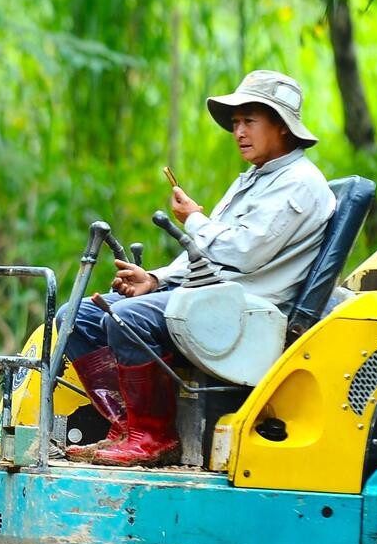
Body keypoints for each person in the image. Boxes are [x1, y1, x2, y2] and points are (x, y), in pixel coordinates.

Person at [57, 70, 336, 467]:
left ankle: (154, 437)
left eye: (250, 121)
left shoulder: (300, 184)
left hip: (249, 309)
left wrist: (192, 220)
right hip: (214, 297)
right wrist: (157, 278)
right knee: (75, 317)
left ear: (283, 128)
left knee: (125, 319)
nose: (239, 132)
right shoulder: (254, 180)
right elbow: (207, 253)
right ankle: (124, 428)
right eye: (236, 123)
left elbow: (241, 252)